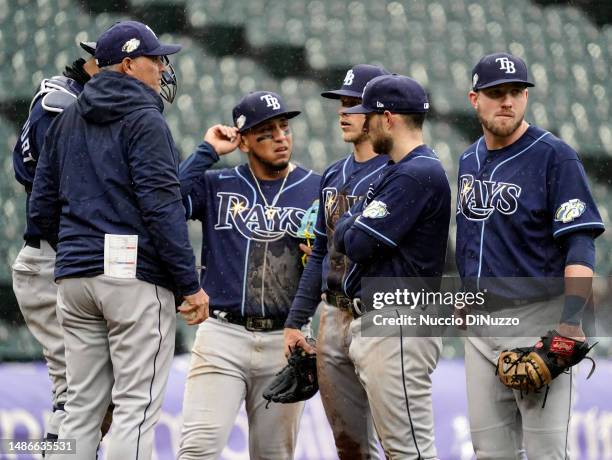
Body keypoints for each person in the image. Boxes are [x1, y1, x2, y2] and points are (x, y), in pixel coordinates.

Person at [29, 20, 208, 460]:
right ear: (128, 65)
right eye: (156, 59)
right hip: (132, 278)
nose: (163, 69)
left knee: (81, 409)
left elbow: (40, 207)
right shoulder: (145, 119)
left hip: (75, 277)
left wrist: (78, 250)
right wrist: (189, 284)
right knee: (136, 408)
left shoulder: (69, 115)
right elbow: (162, 209)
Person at [455, 52, 604, 459]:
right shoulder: (468, 159)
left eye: (516, 92)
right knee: (490, 452)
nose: (507, 101)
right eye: (496, 92)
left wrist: (571, 321)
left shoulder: (555, 156)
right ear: (474, 99)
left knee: (545, 452)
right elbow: (471, 239)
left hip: (537, 320)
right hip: (481, 326)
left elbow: (580, 243)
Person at [177, 91, 320, 459]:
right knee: (197, 449)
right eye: (266, 132)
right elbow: (168, 203)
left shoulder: (316, 188)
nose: (280, 138)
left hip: (284, 339)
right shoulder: (218, 184)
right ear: (243, 142)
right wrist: (207, 151)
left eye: (284, 127)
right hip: (223, 335)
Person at [333, 74, 450, 459]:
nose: (364, 123)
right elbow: (343, 234)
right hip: (387, 320)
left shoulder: (417, 173)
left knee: (409, 452)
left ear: (388, 118)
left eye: (369, 115)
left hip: (399, 320)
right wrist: (353, 224)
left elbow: (355, 241)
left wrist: (353, 223)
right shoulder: (398, 169)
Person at [283, 64, 389, 459]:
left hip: (381, 313)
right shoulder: (333, 174)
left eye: (355, 104)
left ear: (381, 112)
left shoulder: (399, 171)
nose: (344, 112)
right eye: (342, 103)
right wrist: (296, 321)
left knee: (398, 440)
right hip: (333, 312)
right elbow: (320, 254)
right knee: (348, 443)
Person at [11, 40, 101, 442]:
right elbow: (51, 190)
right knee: (80, 396)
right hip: (53, 261)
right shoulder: (62, 107)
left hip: (55, 259)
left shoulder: (64, 96)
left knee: (83, 396)